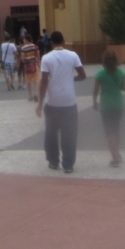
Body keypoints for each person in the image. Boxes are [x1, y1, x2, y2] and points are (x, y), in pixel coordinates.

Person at [35, 31, 86, 173]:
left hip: (53, 103)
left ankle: (53, 161)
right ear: (64, 41)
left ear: (51, 43)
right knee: (69, 134)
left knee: (51, 133)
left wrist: (40, 103)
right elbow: (82, 75)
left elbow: (44, 81)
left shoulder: (46, 58)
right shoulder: (73, 55)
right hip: (69, 102)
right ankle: (68, 164)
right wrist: (71, 78)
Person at [93, 49, 125, 167]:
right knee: (116, 129)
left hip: (106, 106)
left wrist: (94, 101)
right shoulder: (121, 73)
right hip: (118, 104)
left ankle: (115, 157)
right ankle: (117, 152)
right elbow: (124, 88)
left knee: (109, 131)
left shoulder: (100, 74)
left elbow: (96, 90)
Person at [20, 34, 40, 102]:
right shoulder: (35, 46)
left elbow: (22, 59)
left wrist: (23, 61)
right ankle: (36, 94)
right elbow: (38, 56)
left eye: (24, 39)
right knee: (36, 81)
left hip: (27, 67)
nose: (23, 40)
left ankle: (30, 96)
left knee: (28, 82)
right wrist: (39, 65)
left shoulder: (23, 48)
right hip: (34, 65)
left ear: (27, 40)